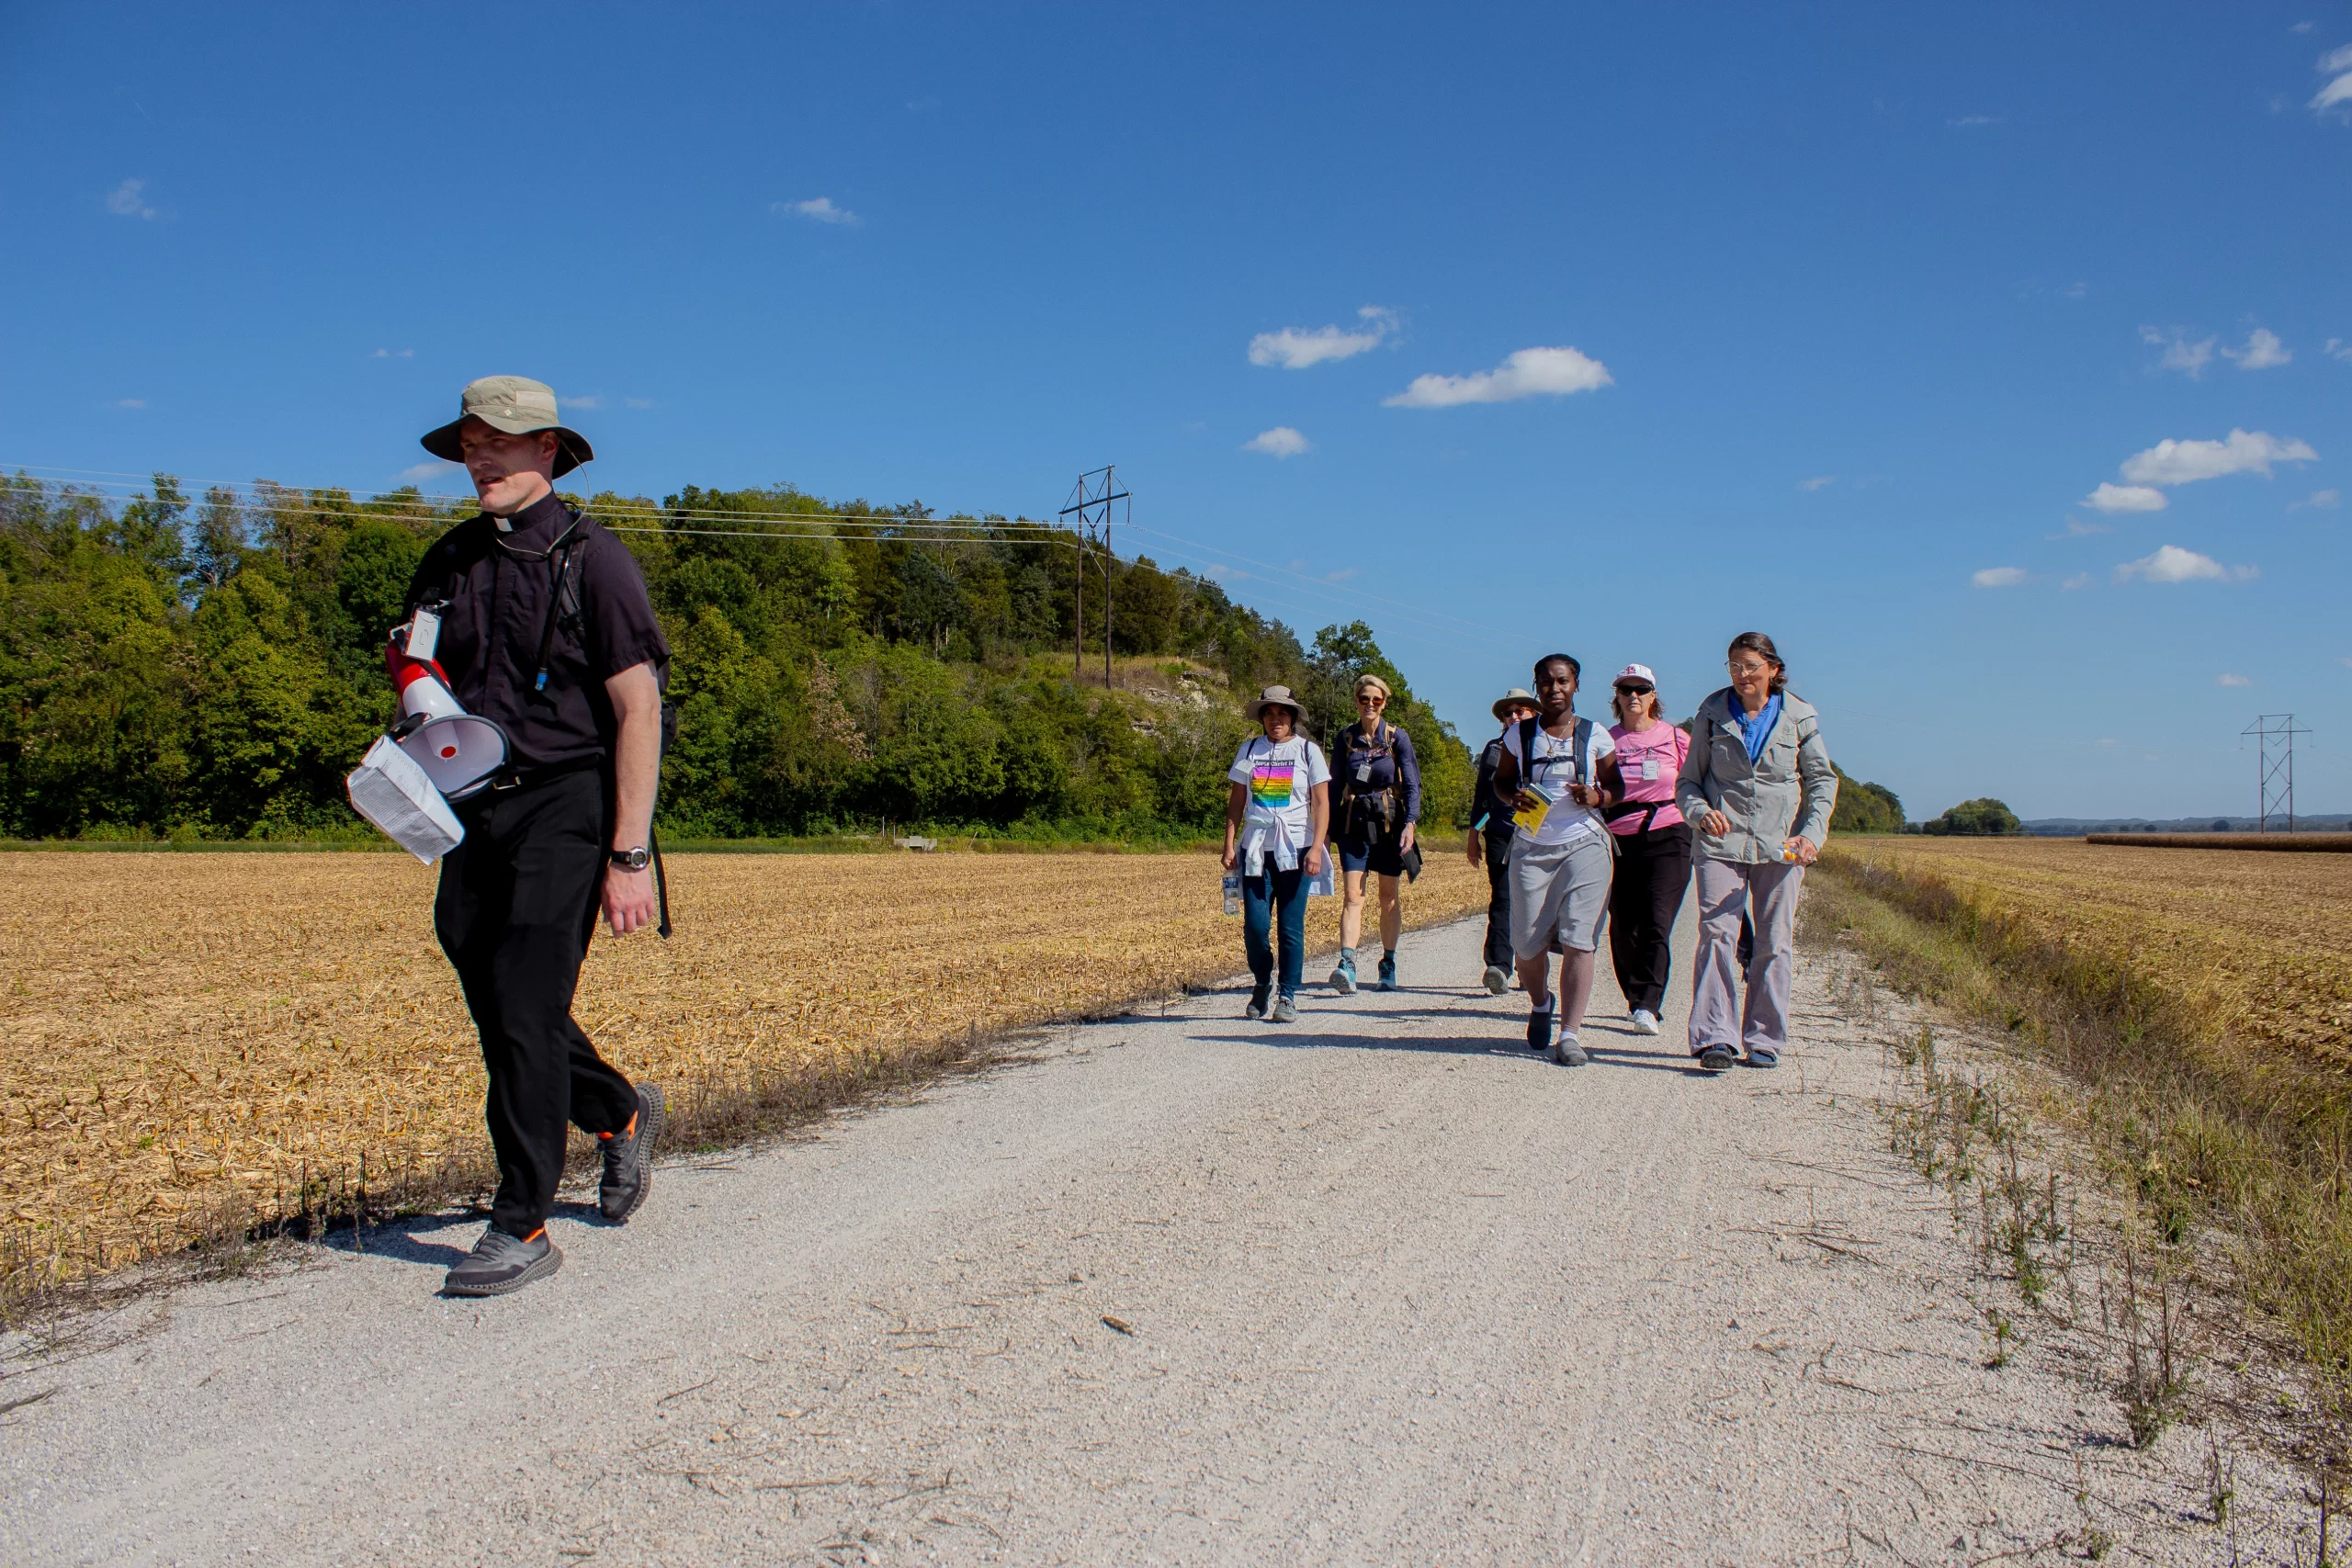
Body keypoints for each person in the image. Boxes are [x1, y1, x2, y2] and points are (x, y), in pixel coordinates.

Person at [403, 376, 672, 1297]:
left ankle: (520, 1220)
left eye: (500, 441)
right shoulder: (448, 560)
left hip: (570, 803)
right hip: (473, 806)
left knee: (522, 1003)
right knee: (493, 987)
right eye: (470, 442)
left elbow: (639, 711)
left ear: (547, 450)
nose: (480, 457)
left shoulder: (596, 561)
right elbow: (417, 667)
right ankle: (616, 1111)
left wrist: (630, 855)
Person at [1675, 631, 1838, 1074]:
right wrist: (1699, 811)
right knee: (1717, 935)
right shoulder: (1711, 714)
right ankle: (1715, 1038)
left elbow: (1822, 781)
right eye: (1733, 666)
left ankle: (1764, 1039)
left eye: (1750, 666)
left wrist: (1811, 835)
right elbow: (1687, 782)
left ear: (1773, 668)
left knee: (1773, 942)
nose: (1742, 675)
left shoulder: (1800, 716)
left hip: (1780, 847)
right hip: (1720, 842)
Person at [1488, 654, 1621, 1066]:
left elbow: (1616, 785)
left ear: (1576, 684)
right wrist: (1514, 798)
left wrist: (1598, 797)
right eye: (1546, 682)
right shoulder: (1519, 736)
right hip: (1531, 845)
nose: (1554, 689)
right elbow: (1502, 782)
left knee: (1581, 940)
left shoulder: (1596, 735)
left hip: (1586, 844)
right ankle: (1541, 1002)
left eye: (1562, 681)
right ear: (1537, 686)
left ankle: (1570, 1034)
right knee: (1526, 945)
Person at [1221, 685, 1331, 1024]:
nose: (1275, 719)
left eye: (1282, 713)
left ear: (1293, 718)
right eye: (1269, 713)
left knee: (1290, 928)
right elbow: (1237, 801)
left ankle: (1287, 994)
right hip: (1255, 850)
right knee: (1255, 927)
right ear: (1262, 718)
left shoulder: (1308, 752)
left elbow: (1322, 803)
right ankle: (1262, 981)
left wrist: (1316, 848)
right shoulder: (1249, 749)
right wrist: (1228, 843)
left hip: (1296, 850)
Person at [1602, 665, 1692, 1035]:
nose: (1633, 696)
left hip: (1669, 833)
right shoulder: (1604, 741)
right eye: (1626, 690)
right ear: (1617, 697)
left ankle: (1648, 1005)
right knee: (1624, 924)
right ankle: (1634, 996)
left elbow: (1696, 785)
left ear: (1654, 695)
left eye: (1641, 689)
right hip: (1619, 838)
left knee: (1658, 920)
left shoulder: (1676, 738)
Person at [1328, 674, 1422, 994]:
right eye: (1364, 699)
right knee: (1353, 896)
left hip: (1388, 824)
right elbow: (1332, 786)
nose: (1370, 705)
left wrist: (1410, 823)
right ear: (1356, 701)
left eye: (1376, 700)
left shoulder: (1398, 738)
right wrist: (1326, 834)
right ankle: (1347, 964)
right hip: (1354, 823)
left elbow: (1411, 784)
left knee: (1388, 896)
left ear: (1384, 703)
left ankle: (1388, 963)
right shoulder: (1345, 738)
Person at [1467, 688, 1539, 994]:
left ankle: (1530, 965)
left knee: (1533, 904)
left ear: (1533, 713)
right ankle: (1498, 966)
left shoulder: (1544, 746)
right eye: (1507, 713)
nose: (1512, 717)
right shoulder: (1493, 749)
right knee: (1503, 898)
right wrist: (1473, 836)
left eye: (1519, 711)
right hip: (1499, 833)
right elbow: (1481, 796)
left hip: (1537, 834)